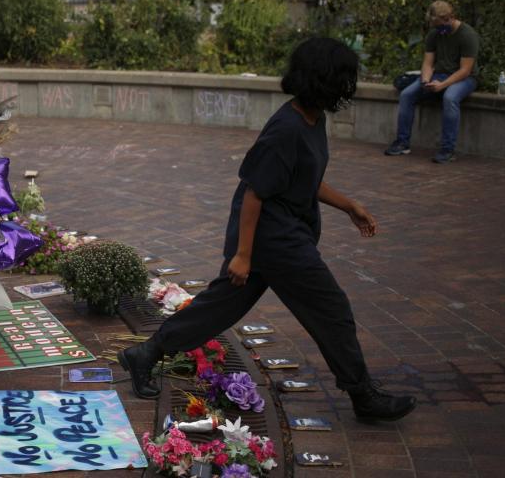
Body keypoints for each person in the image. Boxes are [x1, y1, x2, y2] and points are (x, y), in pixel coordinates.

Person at [118, 37, 417, 422]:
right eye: (342, 79)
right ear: (321, 80)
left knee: (219, 308)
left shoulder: (313, 119)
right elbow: (255, 194)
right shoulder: (286, 129)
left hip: (280, 234)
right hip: (276, 239)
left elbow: (302, 179)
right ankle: (363, 396)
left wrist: (349, 206)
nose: (347, 88)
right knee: (332, 310)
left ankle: (144, 354)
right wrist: (243, 255)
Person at [385, 0, 479, 163]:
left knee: (449, 98)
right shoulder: (434, 34)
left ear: (449, 17)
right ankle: (402, 143)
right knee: (407, 94)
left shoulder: (467, 35)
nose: (438, 29)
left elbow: (465, 70)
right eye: (434, 26)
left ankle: (447, 150)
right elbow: (428, 63)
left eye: (440, 25)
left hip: (465, 78)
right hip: (439, 75)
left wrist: (442, 85)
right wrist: (426, 80)